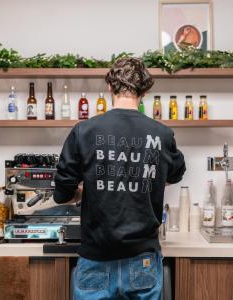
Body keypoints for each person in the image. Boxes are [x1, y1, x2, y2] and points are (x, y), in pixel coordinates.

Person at [54, 58, 186, 300]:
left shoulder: (84, 131)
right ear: (144, 91)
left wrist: (84, 191)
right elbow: (175, 174)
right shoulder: (162, 134)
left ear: (109, 88)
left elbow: (61, 194)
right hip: (142, 261)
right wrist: (149, 179)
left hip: (95, 260)